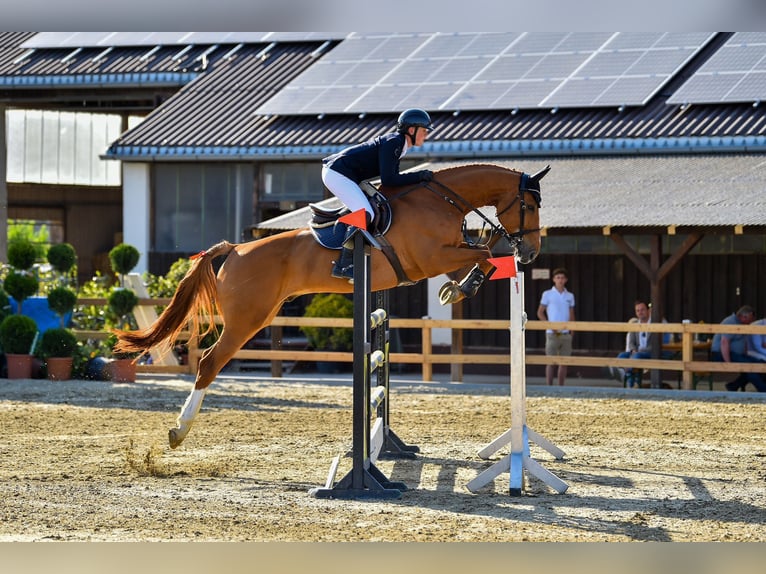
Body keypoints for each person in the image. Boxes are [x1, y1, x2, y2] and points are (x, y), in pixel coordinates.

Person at [321, 108, 435, 280]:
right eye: (424, 131)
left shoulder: (399, 144)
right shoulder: (394, 142)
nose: (426, 135)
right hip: (338, 174)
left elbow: (390, 180)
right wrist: (419, 176)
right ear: (412, 130)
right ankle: (344, 264)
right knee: (366, 213)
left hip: (348, 175)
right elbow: (389, 180)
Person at [610, 299, 672, 387]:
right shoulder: (635, 324)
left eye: (642, 310)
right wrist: (633, 349)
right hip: (637, 352)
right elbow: (631, 342)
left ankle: (626, 375)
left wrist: (638, 351)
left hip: (651, 352)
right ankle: (629, 377)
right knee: (622, 355)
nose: (640, 312)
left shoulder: (655, 323)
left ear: (648, 310)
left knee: (636, 356)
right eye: (637, 310)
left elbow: (656, 344)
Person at [711, 305, 766, 392]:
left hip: (736, 354)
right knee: (749, 367)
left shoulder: (742, 325)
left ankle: (733, 386)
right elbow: (724, 342)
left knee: (760, 363)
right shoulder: (730, 322)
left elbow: (743, 342)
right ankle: (763, 390)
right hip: (722, 353)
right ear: (743, 317)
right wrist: (728, 363)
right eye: (750, 319)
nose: (751, 322)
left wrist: (745, 355)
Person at [537, 267, 575, 386]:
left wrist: (572, 330)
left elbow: (571, 314)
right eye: (558, 277)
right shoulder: (547, 294)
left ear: (566, 280)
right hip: (551, 332)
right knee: (550, 361)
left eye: (562, 278)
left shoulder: (569, 296)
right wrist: (549, 325)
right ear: (554, 279)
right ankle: (549, 386)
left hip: (565, 332)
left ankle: (561, 387)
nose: (560, 280)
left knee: (564, 362)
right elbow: (540, 312)